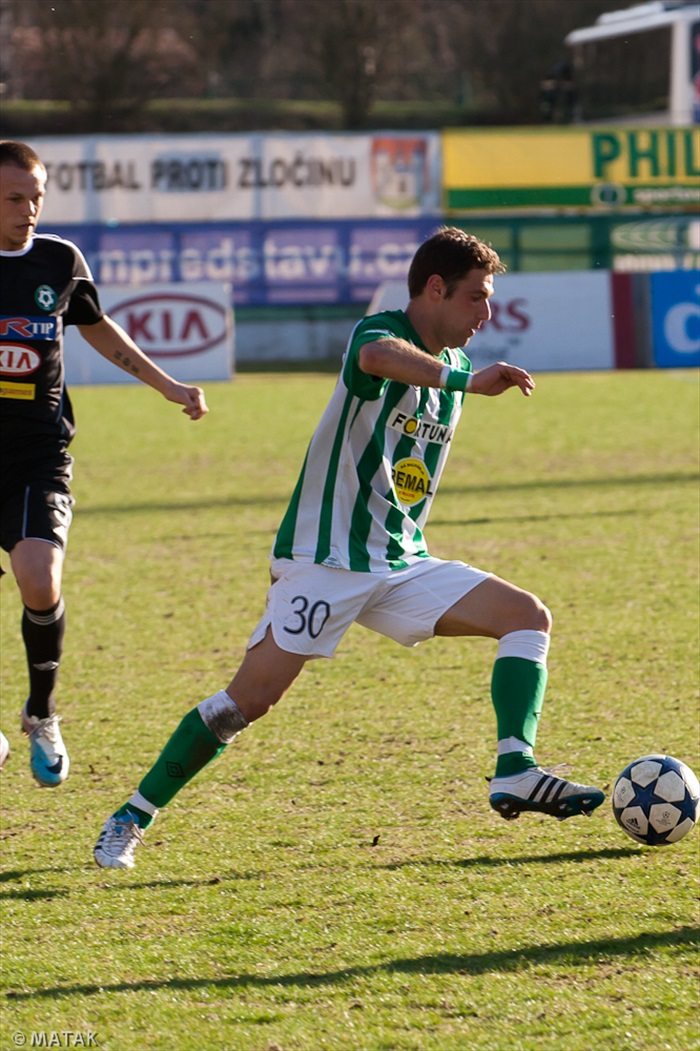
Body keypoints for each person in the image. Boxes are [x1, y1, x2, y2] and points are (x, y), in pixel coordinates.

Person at [94, 226, 604, 870]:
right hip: (326, 560)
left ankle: (515, 768)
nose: (486, 313)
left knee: (526, 617)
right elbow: (376, 357)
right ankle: (131, 816)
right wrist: (463, 381)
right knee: (246, 703)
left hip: (400, 561)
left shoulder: (454, 366)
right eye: (476, 297)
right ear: (436, 289)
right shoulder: (383, 333)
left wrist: (458, 378)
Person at [0, 140, 208, 788]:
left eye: (36, 197)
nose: (29, 210)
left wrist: (167, 384)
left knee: (39, 578)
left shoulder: (59, 261)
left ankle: (41, 712)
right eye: (14, 198)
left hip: (37, 455)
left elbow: (96, 326)